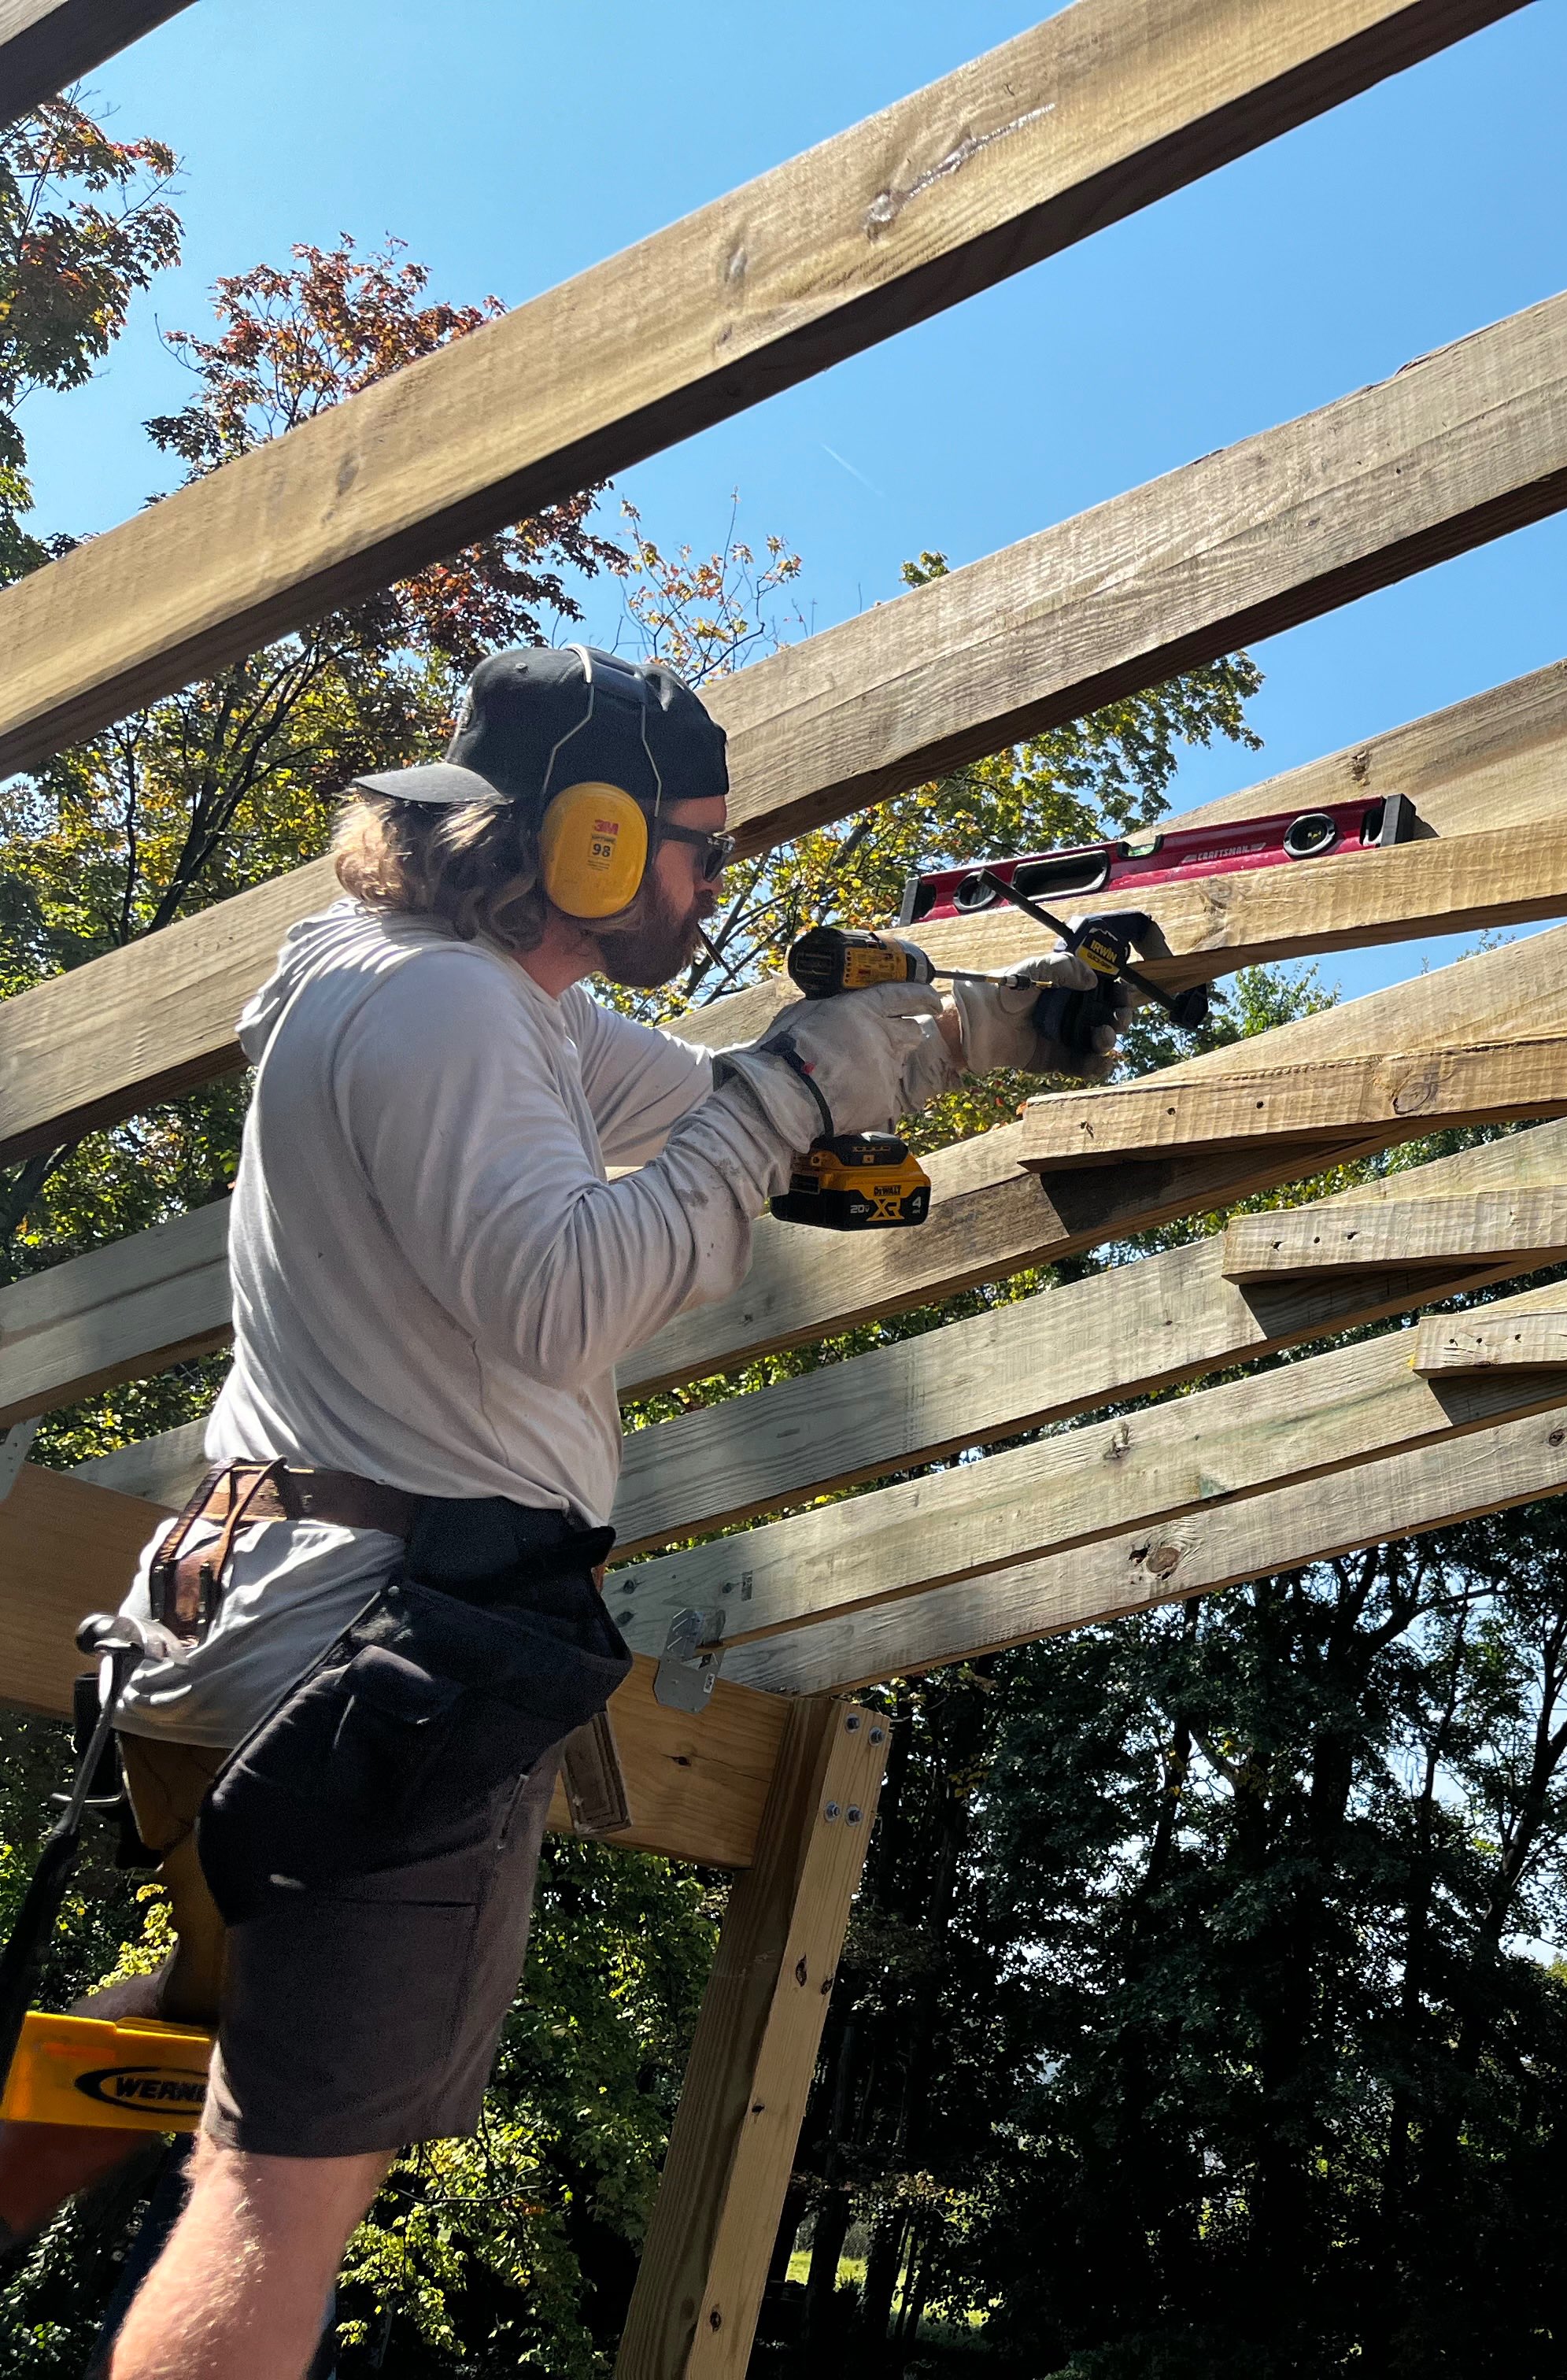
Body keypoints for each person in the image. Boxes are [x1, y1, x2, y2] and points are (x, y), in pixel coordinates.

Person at [0, 646, 1142, 2378]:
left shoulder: (418, 983)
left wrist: (971, 1025)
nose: (707, 885)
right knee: (277, 2191)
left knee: (207, 2017)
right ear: (590, 843)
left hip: (243, 1629)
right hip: (378, 1659)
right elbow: (566, 1292)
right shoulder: (450, 1011)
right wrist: (780, 1103)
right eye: (691, 846)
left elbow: (692, 1100)